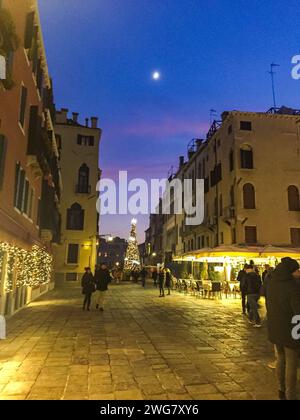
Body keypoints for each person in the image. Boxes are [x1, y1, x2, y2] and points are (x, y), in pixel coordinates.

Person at [265, 257, 300, 401]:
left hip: (274, 328)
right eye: (296, 270)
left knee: (280, 358)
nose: (298, 272)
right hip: (291, 330)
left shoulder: (271, 282)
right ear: (290, 271)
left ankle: (281, 390)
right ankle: (290, 395)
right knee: (292, 363)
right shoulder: (293, 287)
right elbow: (298, 312)